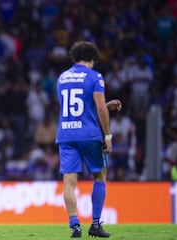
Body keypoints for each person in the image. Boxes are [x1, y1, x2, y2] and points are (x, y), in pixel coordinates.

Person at [55, 41, 121, 238]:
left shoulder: (63, 77)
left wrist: (106, 106)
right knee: (100, 176)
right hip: (89, 135)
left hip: (66, 134)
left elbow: (78, 108)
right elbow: (98, 108)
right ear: (92, 59)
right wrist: (107, 135)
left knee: (69, 182)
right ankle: (95, 224)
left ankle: (75, 226)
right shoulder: (95, 76)